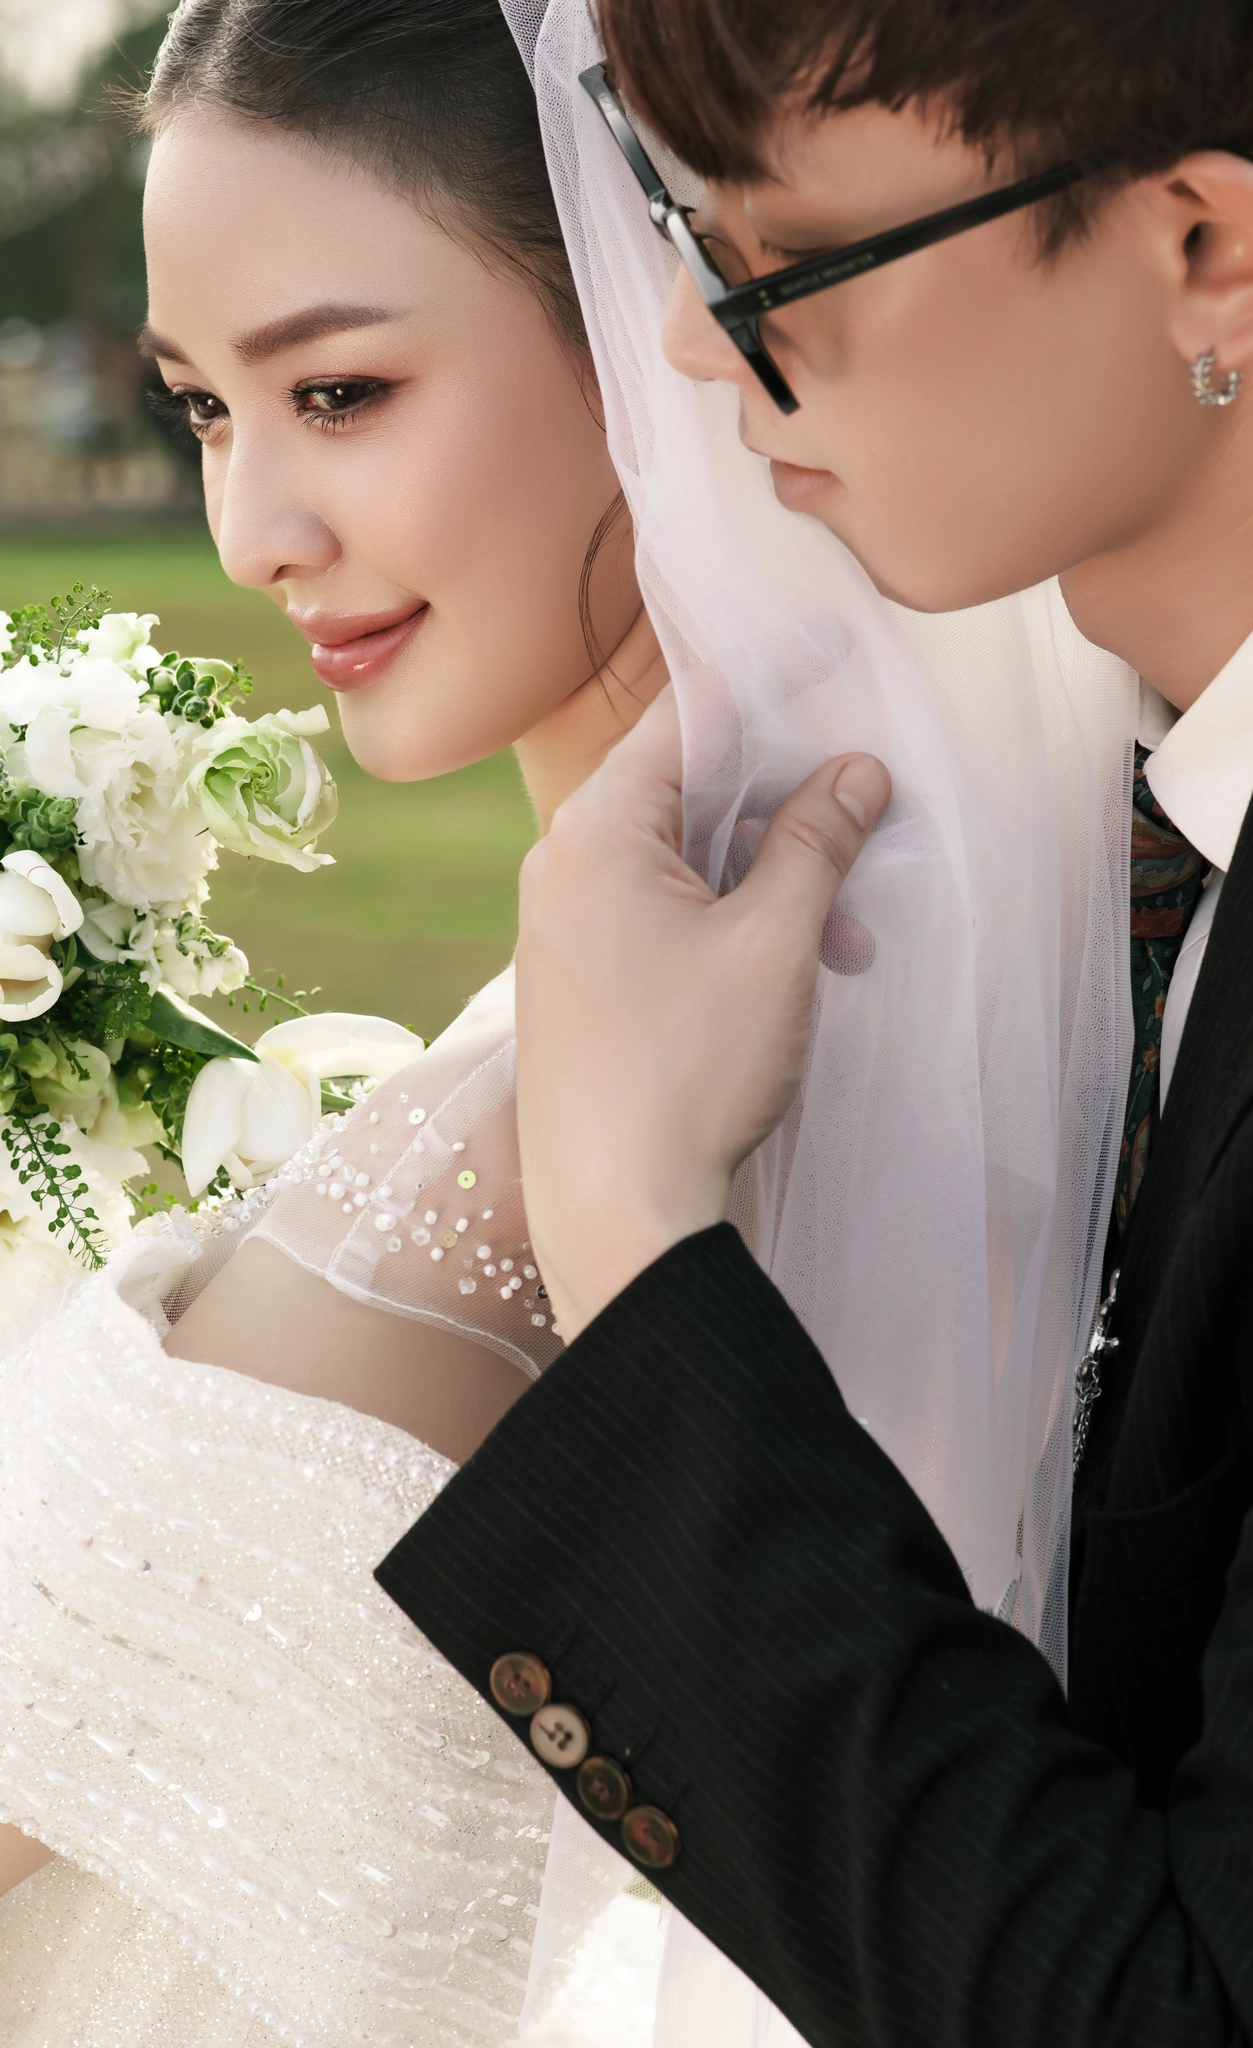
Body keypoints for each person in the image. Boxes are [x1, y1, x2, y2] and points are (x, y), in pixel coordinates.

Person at [374, 0, 1253, 2042]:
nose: (693, 345)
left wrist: (635, 1232)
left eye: (777, 263)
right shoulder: (1127, 830)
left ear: (1205, 246)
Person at [0, 2, 670, 2040]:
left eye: (339, 391)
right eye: (203, 410)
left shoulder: (513, 1153)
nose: (251, 534)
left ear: (650, 318)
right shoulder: (545, 1060)